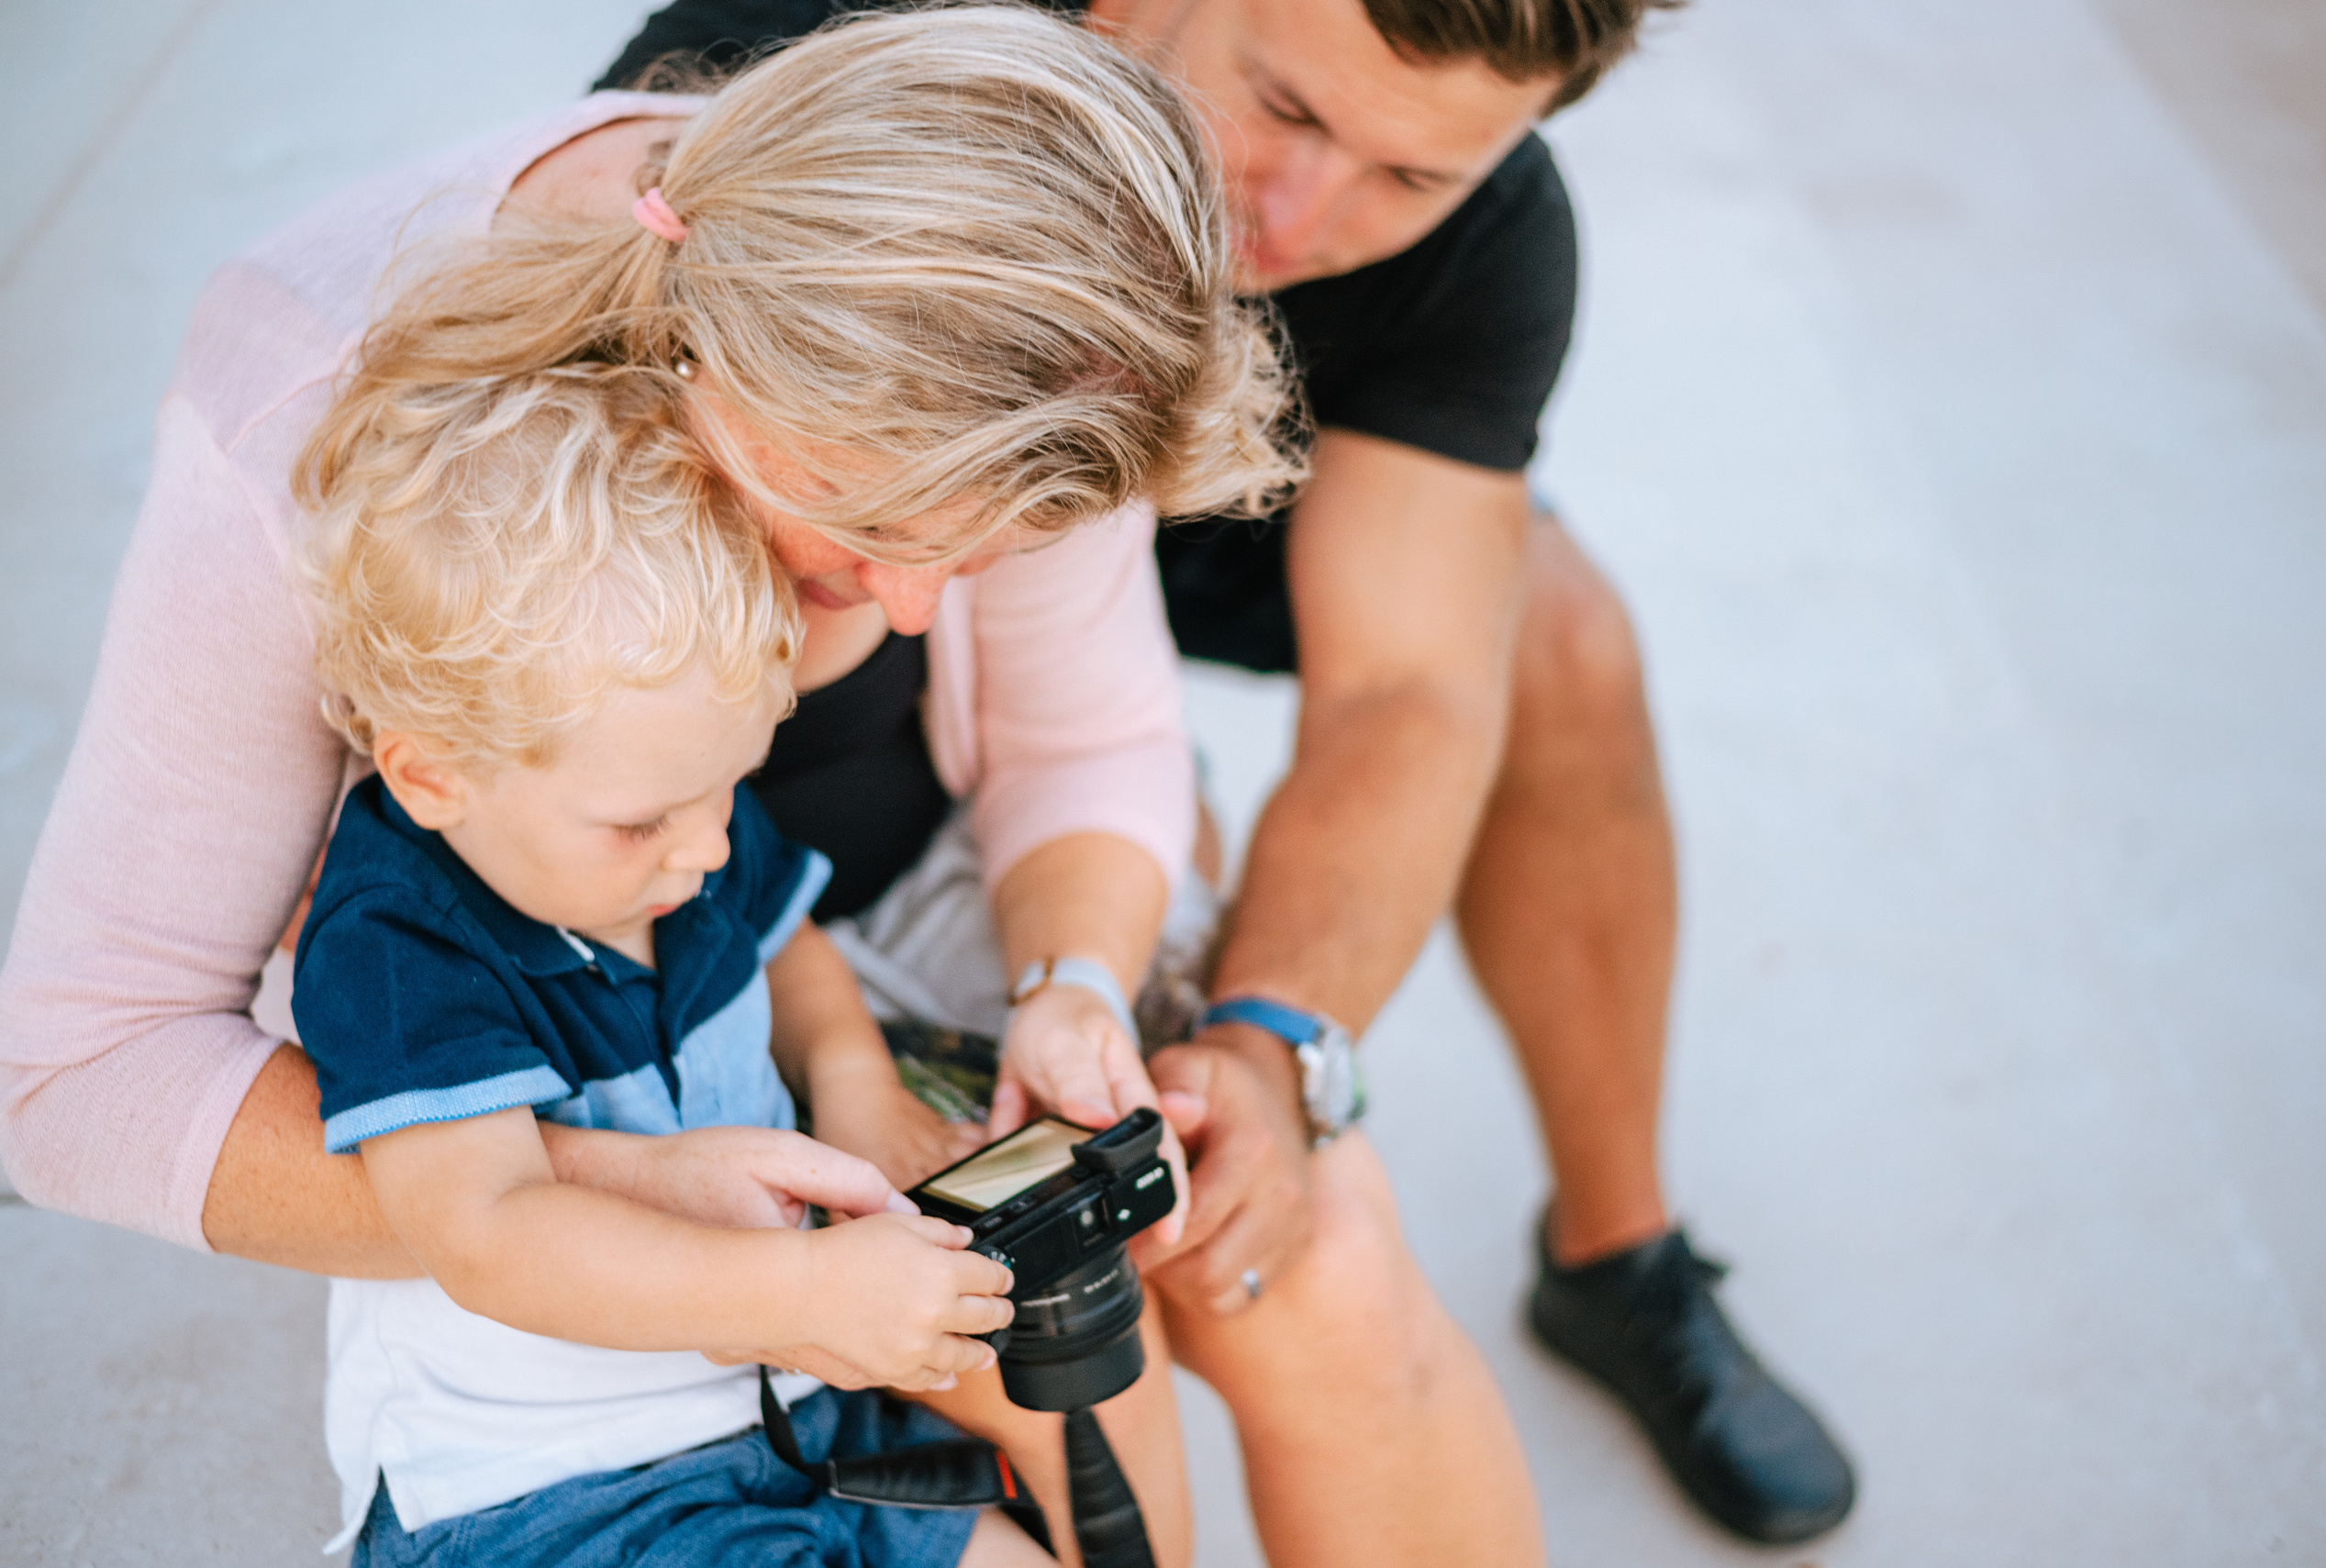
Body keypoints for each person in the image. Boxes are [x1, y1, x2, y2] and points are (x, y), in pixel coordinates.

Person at [0, 10, 1298, 1564]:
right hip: (567, 1404)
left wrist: (1068, 979)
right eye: (872, 523)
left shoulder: (1018, 333)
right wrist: (647, 1204)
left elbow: (1082, 746)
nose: (910, 609)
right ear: (718, 360)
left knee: (1238, 1294)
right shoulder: (306, 438)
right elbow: (78, 1078)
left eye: (973, 554)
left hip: (771, 1299)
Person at [600, 0, 1857, 1552]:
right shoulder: (828, 64)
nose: (1303, 216)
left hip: (1152, 541)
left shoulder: (1485, 234)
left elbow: (1403, 692)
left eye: (1410, 179)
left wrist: (1268, 1042)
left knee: (1550, 638)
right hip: (878, 568)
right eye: (1289, 109)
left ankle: (1618, 1251)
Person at [291, 364, 1036, 1564]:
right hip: (554, 1485)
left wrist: (854, 1080)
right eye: (644, 823)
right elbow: (486, 1228)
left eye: (730, 786)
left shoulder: (677, 821)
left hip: (795, 1414)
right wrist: (800, 1294)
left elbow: (785, 947)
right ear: (434, 776)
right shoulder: (402, 940)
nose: (709, 851)